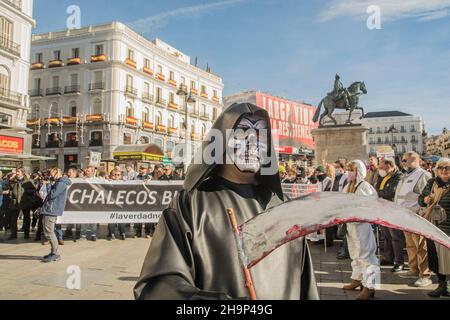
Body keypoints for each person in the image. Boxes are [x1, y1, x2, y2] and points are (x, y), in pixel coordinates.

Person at [134, 102, 318, 300]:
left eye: (261, 132)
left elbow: (305, 283)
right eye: (243, 130)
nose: (253, 140)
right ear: (221, 141)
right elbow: (161, 285)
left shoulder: (285, 208)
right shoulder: (190, 205)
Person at [342, 160, 380, 300]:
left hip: (362, 225)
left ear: (359, 171)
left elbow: (371, 205)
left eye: (352, 170)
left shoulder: (365, 187)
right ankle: (357, 278)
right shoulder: (349, 185)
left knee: (366, 254)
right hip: (350, 225)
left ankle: (370, 286)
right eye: (349, 169)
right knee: (355, 253)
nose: (349, 172)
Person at [395, 151, 433, 287]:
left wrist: (422, 214)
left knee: (421, 246)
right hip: (405, 216)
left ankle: (425, 275)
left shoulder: (423, 175)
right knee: (410, 245)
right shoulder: (406, 175)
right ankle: (413, 269)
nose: (403, 163)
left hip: (417, 216)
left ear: (416, 160)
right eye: (403, 160)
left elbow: (427, 198)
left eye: (406, 160)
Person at [418, 158, 450, 298]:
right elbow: (420, 198)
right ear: (436, 170)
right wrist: (424, 200)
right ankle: (442, 285)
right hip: (433, 226)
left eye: (447, 168)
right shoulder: (432, 183)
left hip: (448, 227)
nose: (444, 170)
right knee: (436, 259)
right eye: (441, 167)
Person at [375, 158, 405, 272]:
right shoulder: (383, 176)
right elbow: (377, 188)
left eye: (382, 167)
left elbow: (391, 192)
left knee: (395, 237)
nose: (380, 169)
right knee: (386, 236)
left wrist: (377, 193)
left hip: (392, 210)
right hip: (382, 209)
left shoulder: (398, 176)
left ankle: (399, 261)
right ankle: (388, 257)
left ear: (389, 165)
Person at [41, 168, 72, 263]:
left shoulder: (61, 183)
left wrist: (49, 184)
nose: (50, 175)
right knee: (47, 232)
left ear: (57, 173)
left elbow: (52, 195)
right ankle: (53, 252)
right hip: (49, 209)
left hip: (52, 210)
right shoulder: (58, 182)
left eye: (51, 173)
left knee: (49, 232)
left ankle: (55, 253)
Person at [8, 168, 36, 240]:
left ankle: (26, 234)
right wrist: (12, 177)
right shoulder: (13, 181)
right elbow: (8, 186)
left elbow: (33, 191)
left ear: (22, 173)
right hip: (15, 202)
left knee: (26, 219)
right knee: (13, 219)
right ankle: (13, 234)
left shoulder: (28, 181)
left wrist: (28, 196)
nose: (17, 173)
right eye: (16, 171)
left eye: (18, 172)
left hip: (25, 202)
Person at [107, 169, 126, 241]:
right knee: (111, 220)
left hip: (121, 205)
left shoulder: (125, 183)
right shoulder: (107, 182)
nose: (116, 176)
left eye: (118, 175)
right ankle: (112, 234)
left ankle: (122, 233)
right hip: (111, 204)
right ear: (111, 175)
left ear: (120, 176)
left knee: (121, 220)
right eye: (114, 174)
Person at [81, 166, 99, 241]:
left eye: (88, 171)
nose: (86, 172)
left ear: (92, 172)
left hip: (94, 202)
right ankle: (83, 235)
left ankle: (93, 235)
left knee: (93, 220)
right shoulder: (82, 180)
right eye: (86, 171)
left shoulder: (97, 180)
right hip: (84, 202)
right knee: (84, 219)